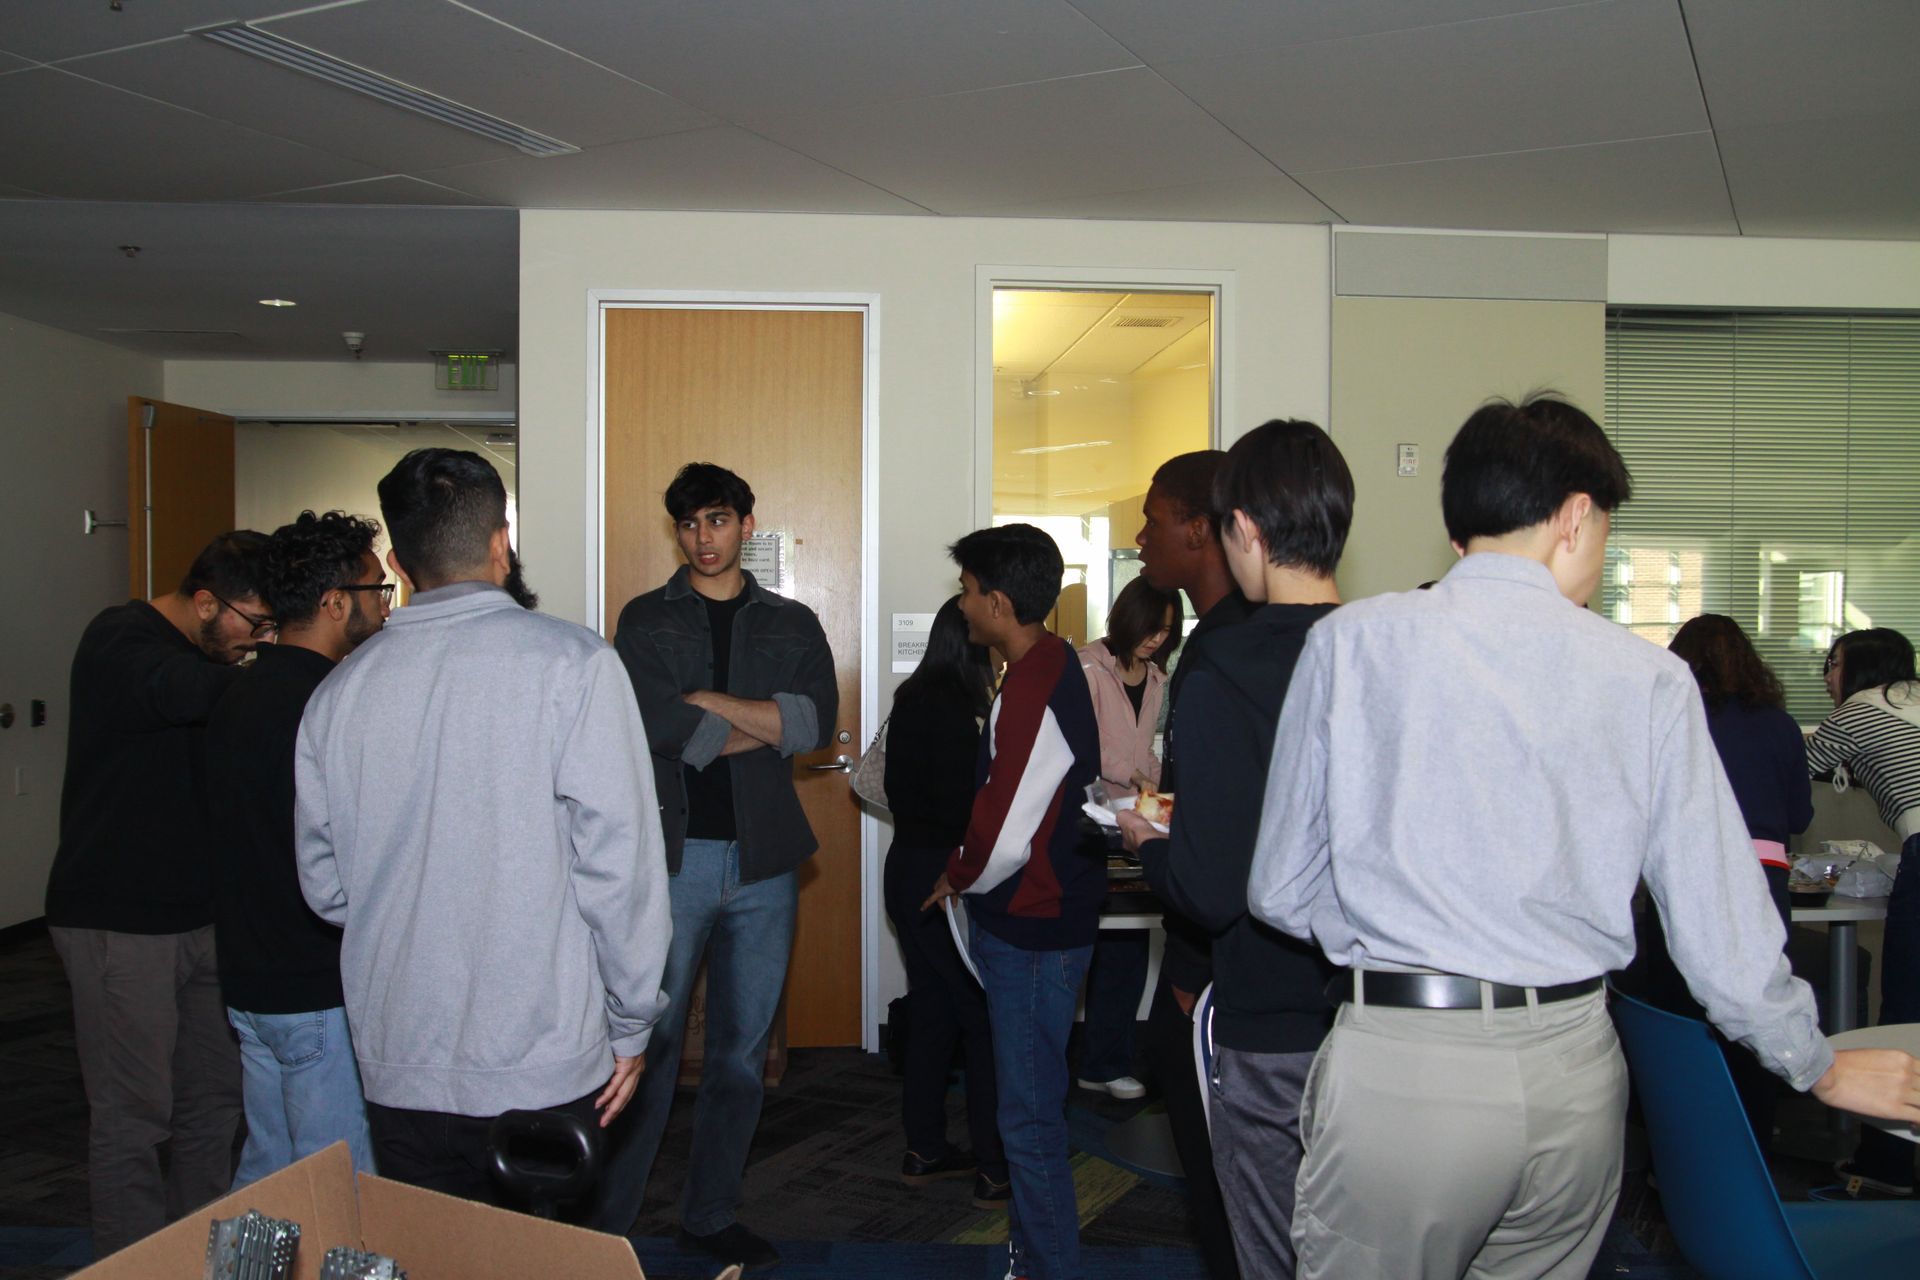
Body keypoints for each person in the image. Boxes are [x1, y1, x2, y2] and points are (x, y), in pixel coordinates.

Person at [1247, 395, 1920, 1280]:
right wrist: (1819, 1066)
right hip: (1575, 1068)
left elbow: (1278, 887)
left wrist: (1395, 929)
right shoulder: (1648, 680)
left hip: (1404, 1068)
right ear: (1574, 517)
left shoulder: (1348, 644)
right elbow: (1719, 925)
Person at [294, 449, 671, 1213]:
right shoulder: (575, 665)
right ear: (503, 542)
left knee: (431, 1253)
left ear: (397, 562)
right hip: (543, 1057)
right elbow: (620, 868)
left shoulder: (338, 694)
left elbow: (326, 886)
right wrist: (633, 1020)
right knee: (539, 1256)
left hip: (400, 1055)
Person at [1122, 419, 1350, 1280]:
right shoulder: (1381, 646)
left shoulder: (1222, 668)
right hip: (1375, 1010)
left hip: (1257, 1002)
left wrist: (1148, 845)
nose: (1143, 539)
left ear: (1233, 528)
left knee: (1265, 1243)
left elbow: (1215, 887)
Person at [599, 462, 837, 1267]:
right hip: (674, 858)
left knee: (740, 1053)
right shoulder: (644, 619)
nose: (704, 538)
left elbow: (814, 727)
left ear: (745, 524)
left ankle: (709, 1214)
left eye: (718, 520)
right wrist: (759, 725)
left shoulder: (794, 622)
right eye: (690, 524)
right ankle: (611, 1223)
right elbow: (652, 726)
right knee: (649, 1048)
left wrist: (708, 705)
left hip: (767, 861)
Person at [45, 530, 270, 1257]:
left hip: (203, 918)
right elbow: (180, 692)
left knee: (215, 1105)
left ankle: (193, 1260)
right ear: (205, 602)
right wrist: (290, 671)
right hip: (118, 921)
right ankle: (132, 1268)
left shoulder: (210, 652)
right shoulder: (120, 637)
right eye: (252, 623)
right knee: (133, 1119)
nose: (254, 641)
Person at [923, 523, 1100, 1280]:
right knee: (1030, 1113)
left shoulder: (1034, 682)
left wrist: (956, 876)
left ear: (998, 602)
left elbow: (1003, 831)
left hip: (1032, 931)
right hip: (1043, 923)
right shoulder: (1046, 666)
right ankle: (1033, 1258)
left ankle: (1047, 1268)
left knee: (1027, 1124)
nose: (961, 607)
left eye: (967, 593)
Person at [208, 511, 388, 1188]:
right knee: (340, 1190)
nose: (384, 608)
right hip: (315, 984)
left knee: (268, 1181)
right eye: (377, 591)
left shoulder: (236, 693)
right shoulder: (331, 704)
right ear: (336, 602)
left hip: (251, 979)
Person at [1625, 613, 1814, 1145]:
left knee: (1680, 1011)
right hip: (1765, 874)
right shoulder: (1778, 724)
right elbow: (1798, 817)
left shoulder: (1670, 718)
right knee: (1758, 1005)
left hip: (1683, 874)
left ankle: (1680, 1151)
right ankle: (1753, 1144)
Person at [1131, 449, 1251, 1280]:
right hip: (1221, 956)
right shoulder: (1221, 640)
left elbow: (1230, 840)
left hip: (1217, 968)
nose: (1141, 538)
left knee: (1229, 1195)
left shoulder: (1228, 653)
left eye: (1155, 519)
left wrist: (1189, 971)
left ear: (1200, 530)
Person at [881, 595, 1009, 1210]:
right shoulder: (965, 714)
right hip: (945, 877)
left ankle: (925, 1148)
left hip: (905, 869)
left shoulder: (911, 699)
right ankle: (993, 1165)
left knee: (934, 1008)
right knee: (980, 1019)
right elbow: (969, 810)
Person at [1806, 626, 1920, 1199]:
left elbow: (1795, 766)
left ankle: (1887, 1169)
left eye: (1834, 663)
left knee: (1908, 1008)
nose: (1828, 675)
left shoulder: (1858, 710)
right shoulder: (1911, 700)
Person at [1075, 576, 1183, 1100]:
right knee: (1082, 945)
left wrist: (1161, 781)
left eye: (1166, 632)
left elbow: (1148, 753)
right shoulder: (1086, 667)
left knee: (1129, 942)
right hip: (1089, 820)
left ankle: (1106, 1060)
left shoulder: (1158, 678)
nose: (1156, 639)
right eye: (1150, 628)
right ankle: (1077, 1057)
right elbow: (1080, 745)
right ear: (1126, 618)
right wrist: (1137, 775)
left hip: (1134, 821)